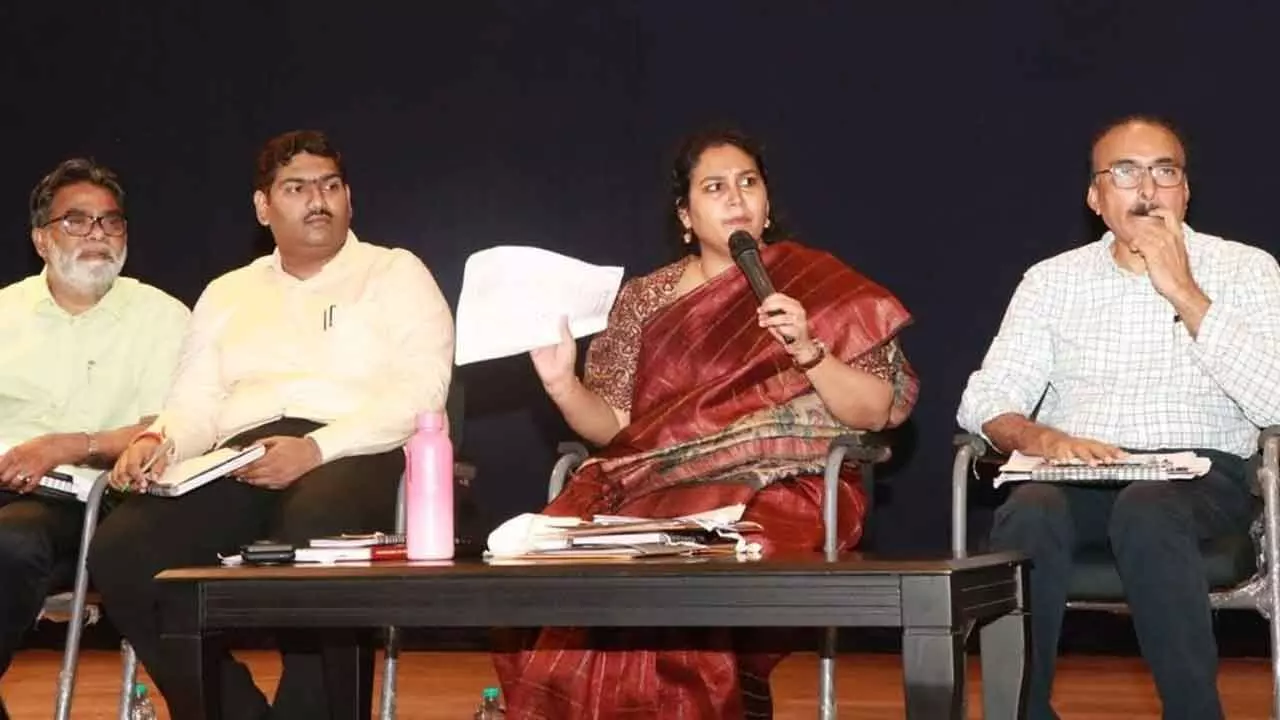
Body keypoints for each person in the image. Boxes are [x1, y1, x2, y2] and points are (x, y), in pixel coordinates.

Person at [493, 128, 918, 719]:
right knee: (544, 576)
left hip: (785, 490)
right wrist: (563, 385)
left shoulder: (817, 288)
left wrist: (811, 350)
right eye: (714, 187)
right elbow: (614, 428)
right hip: (650, 489)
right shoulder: (645, 300)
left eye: (748, 183)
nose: (736, 199)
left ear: (767, 203)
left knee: (700, 580)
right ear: (685, 216)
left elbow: (875, 412)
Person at [87, 130, 455, 719]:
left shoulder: (395, 273)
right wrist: (161, 439)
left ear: (349, 197)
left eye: (331, 185)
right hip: (241, 453)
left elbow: (421, 393)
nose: (319, 200)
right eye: (297, 188)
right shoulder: (227, 292)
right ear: (263, 207)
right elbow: (196, 401)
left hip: (352, 449)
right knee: (122, 551)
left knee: (316, 529)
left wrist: (315, 448)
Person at [956, 115, 1280, 720]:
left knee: (1148, 506)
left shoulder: (1248, 271)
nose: (1148, 189)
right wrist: (1037, 435)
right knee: (1030, 509)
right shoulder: (1052, 281)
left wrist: (1185, 290)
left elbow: (1278, 402)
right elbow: (985, 396)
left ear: (1186, 192)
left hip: (1201, 480)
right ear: (1096, 198)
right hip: (1076, 473)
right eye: (1125, 172)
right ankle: (1021, 710)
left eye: (1165, 171)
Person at [0, 159, 189, 720]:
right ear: (41, 238)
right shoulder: (4, 312)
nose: (97, 236)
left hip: (90, 501)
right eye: (77, 222)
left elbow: (173, 424)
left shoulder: (162, 317)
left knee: (11, 541)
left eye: (110, 223)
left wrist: (67, 446)